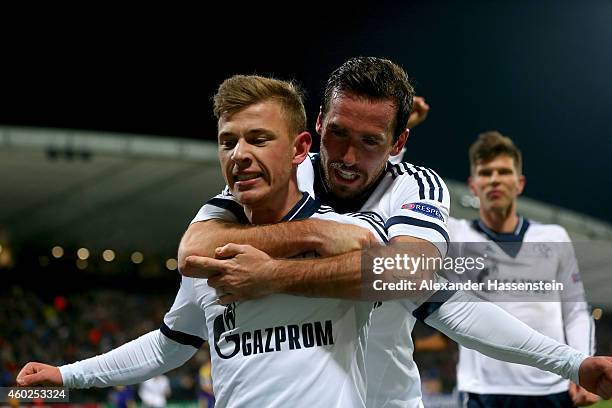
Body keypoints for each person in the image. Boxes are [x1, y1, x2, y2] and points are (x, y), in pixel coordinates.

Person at [177, 57, 612, 406]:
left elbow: (420, 281)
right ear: (318, 123)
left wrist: (272, 275)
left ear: (399, 143)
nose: (346, 156)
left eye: (370, 142)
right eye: (338, 134)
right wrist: (313, 234)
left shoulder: (415, 187)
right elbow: (194, 246)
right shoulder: (276, 171)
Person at [15, 75, 399, 407]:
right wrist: (67, 376)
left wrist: (275, 271)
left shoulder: (351, 232)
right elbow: (169, 345)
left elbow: (411, 271)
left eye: (259, 139)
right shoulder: (207, 253)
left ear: (300, 149)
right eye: (228, 142)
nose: (240, 155)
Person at [447, 131, 599, 407]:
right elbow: (397, 201)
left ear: (519, 183)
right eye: (485, 172)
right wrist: (399, 132)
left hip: (551, 390)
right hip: (483, 392)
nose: (494, 179)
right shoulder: (456, 235)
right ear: (472, 185)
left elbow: (575, 310)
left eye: (504, 171)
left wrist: (581, 365)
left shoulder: (554, 237)